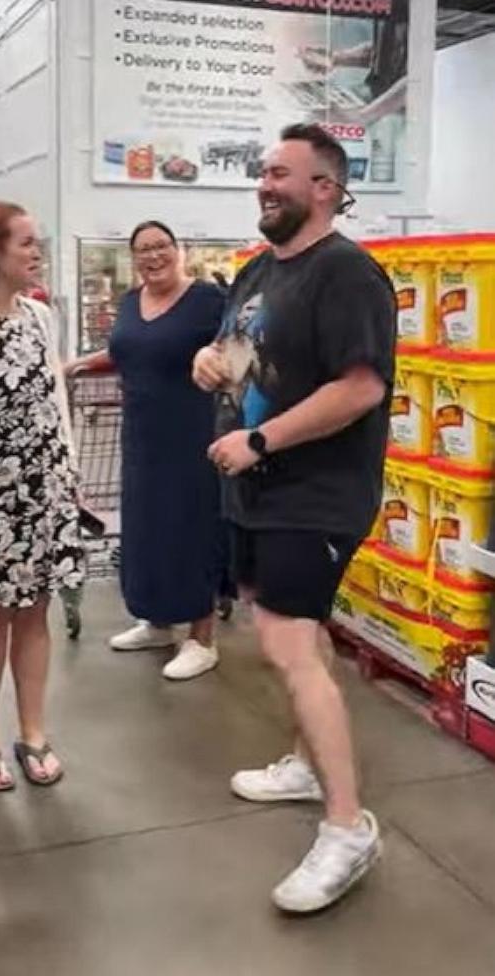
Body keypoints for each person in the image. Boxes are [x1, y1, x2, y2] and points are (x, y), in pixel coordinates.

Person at [193, 123, 396, 913]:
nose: (264, 184)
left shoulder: (348, 275)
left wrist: (262, 438)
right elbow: (235, 356)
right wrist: (207, 362)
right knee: (298, 639)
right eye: (262, 173)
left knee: (287, 644)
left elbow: (360, 388)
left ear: (324, 187)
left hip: (313, 493)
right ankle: (309, 763)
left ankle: (348, 827)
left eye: (281, 173)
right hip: (254, 488)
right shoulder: (255, 273)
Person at [0, 202, 85, 791]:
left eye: (39, 243)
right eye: (26, 243)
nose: (37, 253)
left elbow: (54, 400)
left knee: (35, 615)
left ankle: (33, 731)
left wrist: (69, 475)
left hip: (44, 486)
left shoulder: (39, 318)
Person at [68, 222, 225, 681]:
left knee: (191, 530)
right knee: (147, 530)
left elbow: (235, 348)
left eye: (161, 247)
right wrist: (80, 362)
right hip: (141, 435)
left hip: (192, 433)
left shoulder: (208, 300)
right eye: (143, 250)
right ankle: (158, 622)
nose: (153, 256)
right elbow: (128, 350)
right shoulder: (132, 302)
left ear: (179, 251)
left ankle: (202, 637)